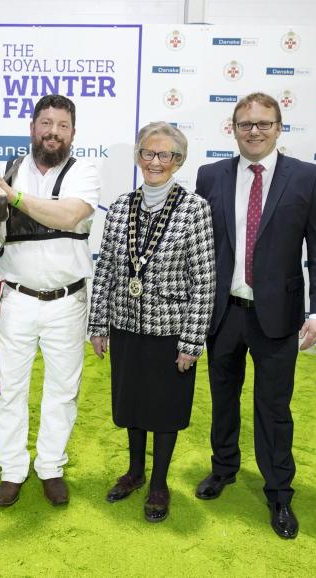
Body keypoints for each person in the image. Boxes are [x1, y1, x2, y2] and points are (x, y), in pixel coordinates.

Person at [194, 93, 316, 539]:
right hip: (224, 312)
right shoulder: (210, 175)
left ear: (278, 127)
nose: (254, 131)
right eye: (245, 124)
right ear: (233, 129)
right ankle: (224, 468)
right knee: (223, 398)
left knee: (274, 407)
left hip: (279, 316)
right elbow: (199, 246)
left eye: (263, 123)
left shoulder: (306, 178)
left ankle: (279, 492)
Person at [0, 94, 101, 507]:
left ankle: (50, 467)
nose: (53, 132)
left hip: (68, 302)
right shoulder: (6, 174)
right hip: (18, 299)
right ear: (32, 128)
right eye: (45, 123)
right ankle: (12, 469)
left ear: (73, 133)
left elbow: (68, 217)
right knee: (9, 389)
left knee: (62, 390)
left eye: (62, 125)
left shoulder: (85, 172)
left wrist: (11, 198)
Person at [88, 122, 215, 522]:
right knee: (132, 405)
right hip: (126, 325)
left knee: (164, 410)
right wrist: (97, 324)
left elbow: (205, 280)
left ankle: (159, 483)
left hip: (170, 331)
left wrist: (192, 343)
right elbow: (107, 266)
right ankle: (135, 472)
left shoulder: (195, 209)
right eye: (148, 153)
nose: (155, 162)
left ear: (178, 162)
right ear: (139, 157)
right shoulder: (122, 206)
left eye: (165, 155)